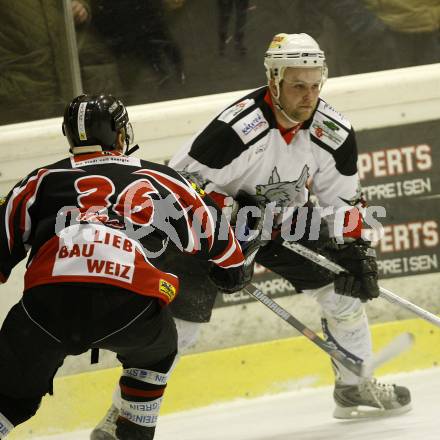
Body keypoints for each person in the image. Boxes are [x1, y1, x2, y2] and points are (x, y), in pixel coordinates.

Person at [91, 32, 412, 439]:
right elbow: (178, 188)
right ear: (274, 80)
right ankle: (122, 417)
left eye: (315, 85)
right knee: (181, 329)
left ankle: (354, 385)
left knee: (343, 292)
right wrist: (228, 224)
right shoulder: (235, 129)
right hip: (212, 229)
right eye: (297, 85)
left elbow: (344, 199)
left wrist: (355, 248)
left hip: (286, 219)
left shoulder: (334, 132)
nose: (308, 96)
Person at [0, 94, 251, 440]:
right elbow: (220, 239)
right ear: (121, 135)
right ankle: (131, 431)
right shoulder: (160, 178)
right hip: (129, 306)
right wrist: (233, 269)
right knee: (157, 353)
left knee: (10, 400)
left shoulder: (38, 182)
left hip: (48, 307)